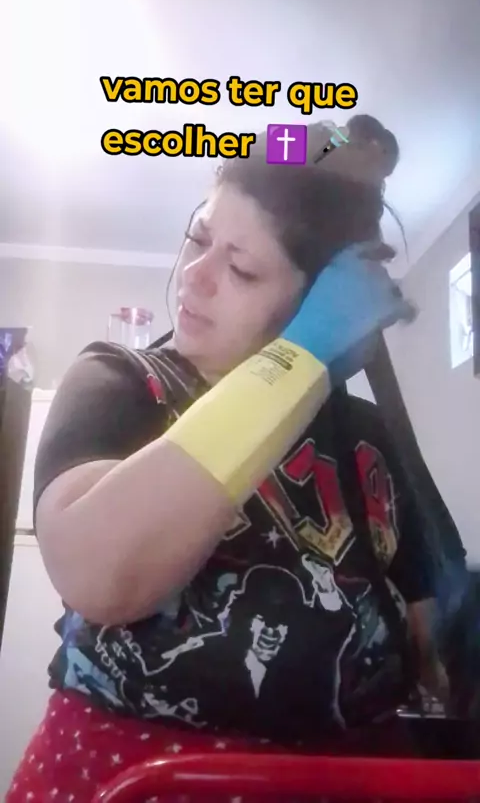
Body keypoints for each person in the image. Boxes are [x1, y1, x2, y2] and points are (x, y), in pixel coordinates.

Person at [7, 115, 447, 802]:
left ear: (313, 298)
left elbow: (423, 632)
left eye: (241, 267)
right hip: (127, 782)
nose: (195, 275)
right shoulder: (121, 382)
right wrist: (301, 354)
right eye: (198, 238)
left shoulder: (364, 434)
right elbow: (99, 574)